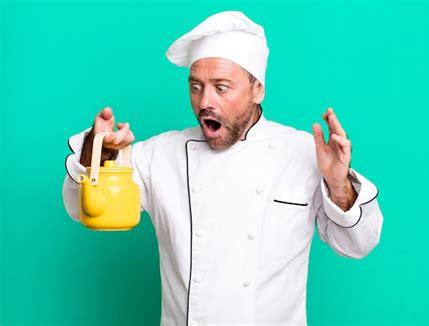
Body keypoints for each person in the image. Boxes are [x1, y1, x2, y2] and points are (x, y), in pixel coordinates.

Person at [62, 11, 383, 326]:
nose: (204, 102)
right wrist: (97, 149)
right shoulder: (160, 155)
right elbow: (85, 207)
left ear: (258, 89)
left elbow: (358, 244)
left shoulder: (301, 153)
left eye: (221, 87)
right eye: (196, 86)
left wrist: (339, 186)